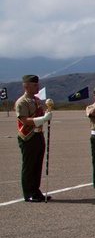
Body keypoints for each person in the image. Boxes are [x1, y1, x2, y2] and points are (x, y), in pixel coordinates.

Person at [14, 74, 52, 202]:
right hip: (28, 136)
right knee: (29, 166)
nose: (37, 87)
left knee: (37, 165)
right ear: (26, 86)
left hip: (38, 135)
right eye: (35, 85)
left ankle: (36, 190)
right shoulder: (22, 102)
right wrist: (42, 119)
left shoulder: (36, 101)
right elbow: (24, 120)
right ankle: (29, 192)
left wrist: (46, 115)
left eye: (37, 84)